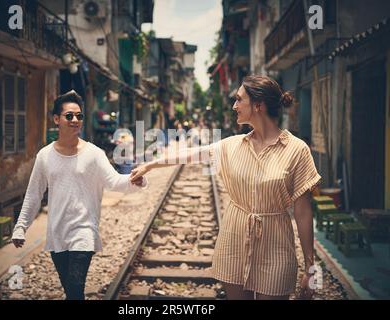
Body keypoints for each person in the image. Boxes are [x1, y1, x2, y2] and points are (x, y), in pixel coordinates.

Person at [130, 75, 321, 300]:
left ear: (258, 105)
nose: (234, 106)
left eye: (239, 100)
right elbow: (191, 155)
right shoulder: (232, 146)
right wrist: (151, 165)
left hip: (276, 244)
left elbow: (303, 211)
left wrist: (311, 268)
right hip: (234, 241)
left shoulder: (296, 150)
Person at [11, 90, 147, 300]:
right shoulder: (45, 156)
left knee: (74, 288)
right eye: (69, 116)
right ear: (57, 119)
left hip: (84, 232)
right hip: (57, 234)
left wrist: (135, 180)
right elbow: (33, 194)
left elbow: (114, 181)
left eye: (79, 116)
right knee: (72, 292)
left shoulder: (94, 153)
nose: (75, 120)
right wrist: (21, 227)